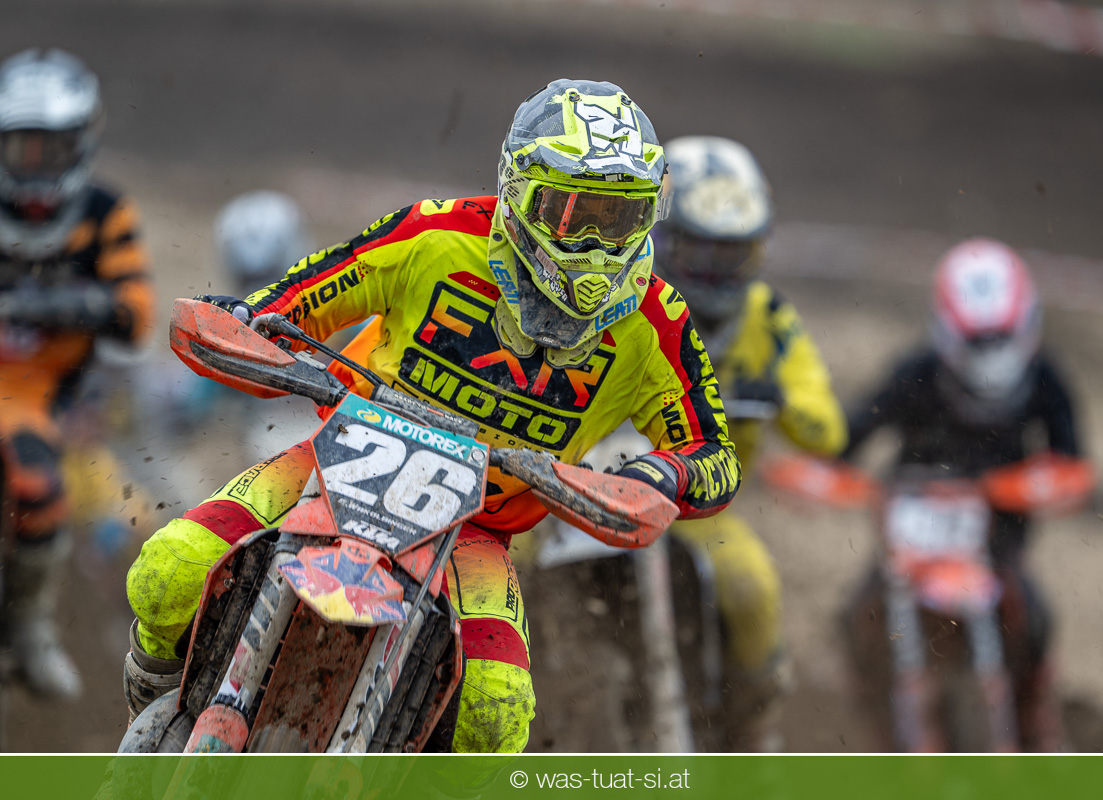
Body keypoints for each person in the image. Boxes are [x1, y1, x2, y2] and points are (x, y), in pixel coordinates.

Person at [123, 79, 741, 753]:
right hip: (332, 470)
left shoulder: (657, 321)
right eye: (575, 214)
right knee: (169, 572)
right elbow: (293, 301)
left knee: (495, 713)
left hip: (476, 529)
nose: (596, 244)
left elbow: (712, 451)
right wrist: (248, 319)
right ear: (521, 192)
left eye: (619, 219)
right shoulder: (434, 236)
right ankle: (153, 704)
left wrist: (662, 474)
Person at [839, 238, 1087, 751]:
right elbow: (854, 431)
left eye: (1001, 340)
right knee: (859, 619)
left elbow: (1071, 457)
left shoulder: (1045, 377)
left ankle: (1036, 724)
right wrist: (827, 463)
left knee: (1034, 617)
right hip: (912, 536)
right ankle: (877, 730)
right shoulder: (917, 374)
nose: (991, 358)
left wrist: (1029, 485)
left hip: (997, 539)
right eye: (979, 343)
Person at [649, 136, 846, 751]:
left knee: (752, 587)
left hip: (697, 507)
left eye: (733, 252)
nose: (715, 269)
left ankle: (751, 735)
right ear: (662, 237)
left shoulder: (769, 318)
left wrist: (783, 398)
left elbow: (827, 428)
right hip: (581, 485)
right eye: (699, 249)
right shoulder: (624, 295)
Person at [0, 48, 154, 699]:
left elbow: (137, 314)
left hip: (41, 392)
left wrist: (53, 304)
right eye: (22, 147)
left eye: (52, 147)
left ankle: (27, 628)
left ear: (82, 142)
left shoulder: (103, 211)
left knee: (38, 486)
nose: (36, 164)